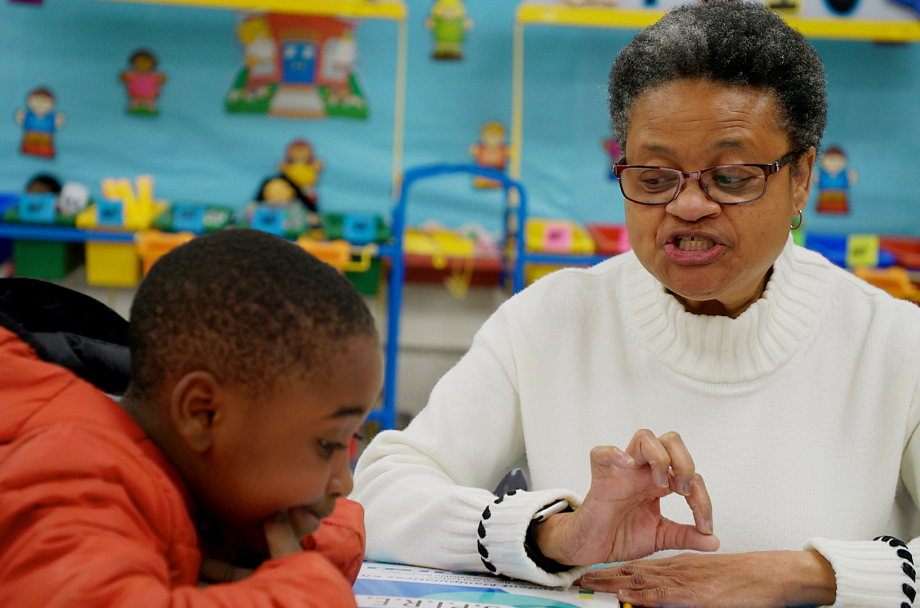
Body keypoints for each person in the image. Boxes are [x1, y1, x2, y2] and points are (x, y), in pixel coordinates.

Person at [351, 2, 920, 607]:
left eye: (730, 176)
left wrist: (803, 575)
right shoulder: (551, 319)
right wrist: (557, 533)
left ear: (802, 176)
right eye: (654, 177)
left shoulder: (893, 344)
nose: (689, 206)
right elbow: (381, 495)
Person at [0, 227, 383, 606]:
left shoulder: (178, 467)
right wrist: (306, 593)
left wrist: (301, 565)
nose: (345, 483)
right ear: (203, 414)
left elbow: (326, 538)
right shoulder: (72, 475)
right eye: (328, 443)